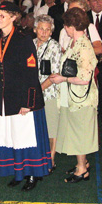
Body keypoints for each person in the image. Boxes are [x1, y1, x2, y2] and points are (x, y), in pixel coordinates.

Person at [0, 1, 52, 191]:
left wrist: (28, 102)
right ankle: (18, 172)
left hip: (21, 98)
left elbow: (31, 73)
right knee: (10, 136)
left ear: (14, 18)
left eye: (2, 16)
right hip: (4, 98)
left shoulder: (24, 39)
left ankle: (31, 173)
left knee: (25, 136)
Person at [49, 8, 98, 184]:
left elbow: (84, 79)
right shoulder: (75, 43)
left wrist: (63, 78)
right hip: (73, 97)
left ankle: (82, 170)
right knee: (76, 132)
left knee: (80, 134)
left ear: (70, 26)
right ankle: (82, 163)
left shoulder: (83, 46)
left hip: (81, 99)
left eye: (66, 25)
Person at [33, 15, 62, 170]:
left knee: (51, 127)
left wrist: (39, 90)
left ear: (51, 32)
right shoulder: (30, 45)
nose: (44, 32)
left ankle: (51, 158)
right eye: (41, 29)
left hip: (49, 93)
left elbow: (54, 75)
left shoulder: (55, 46)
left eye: (47, 30)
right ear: (35, 29)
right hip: (33, 94)